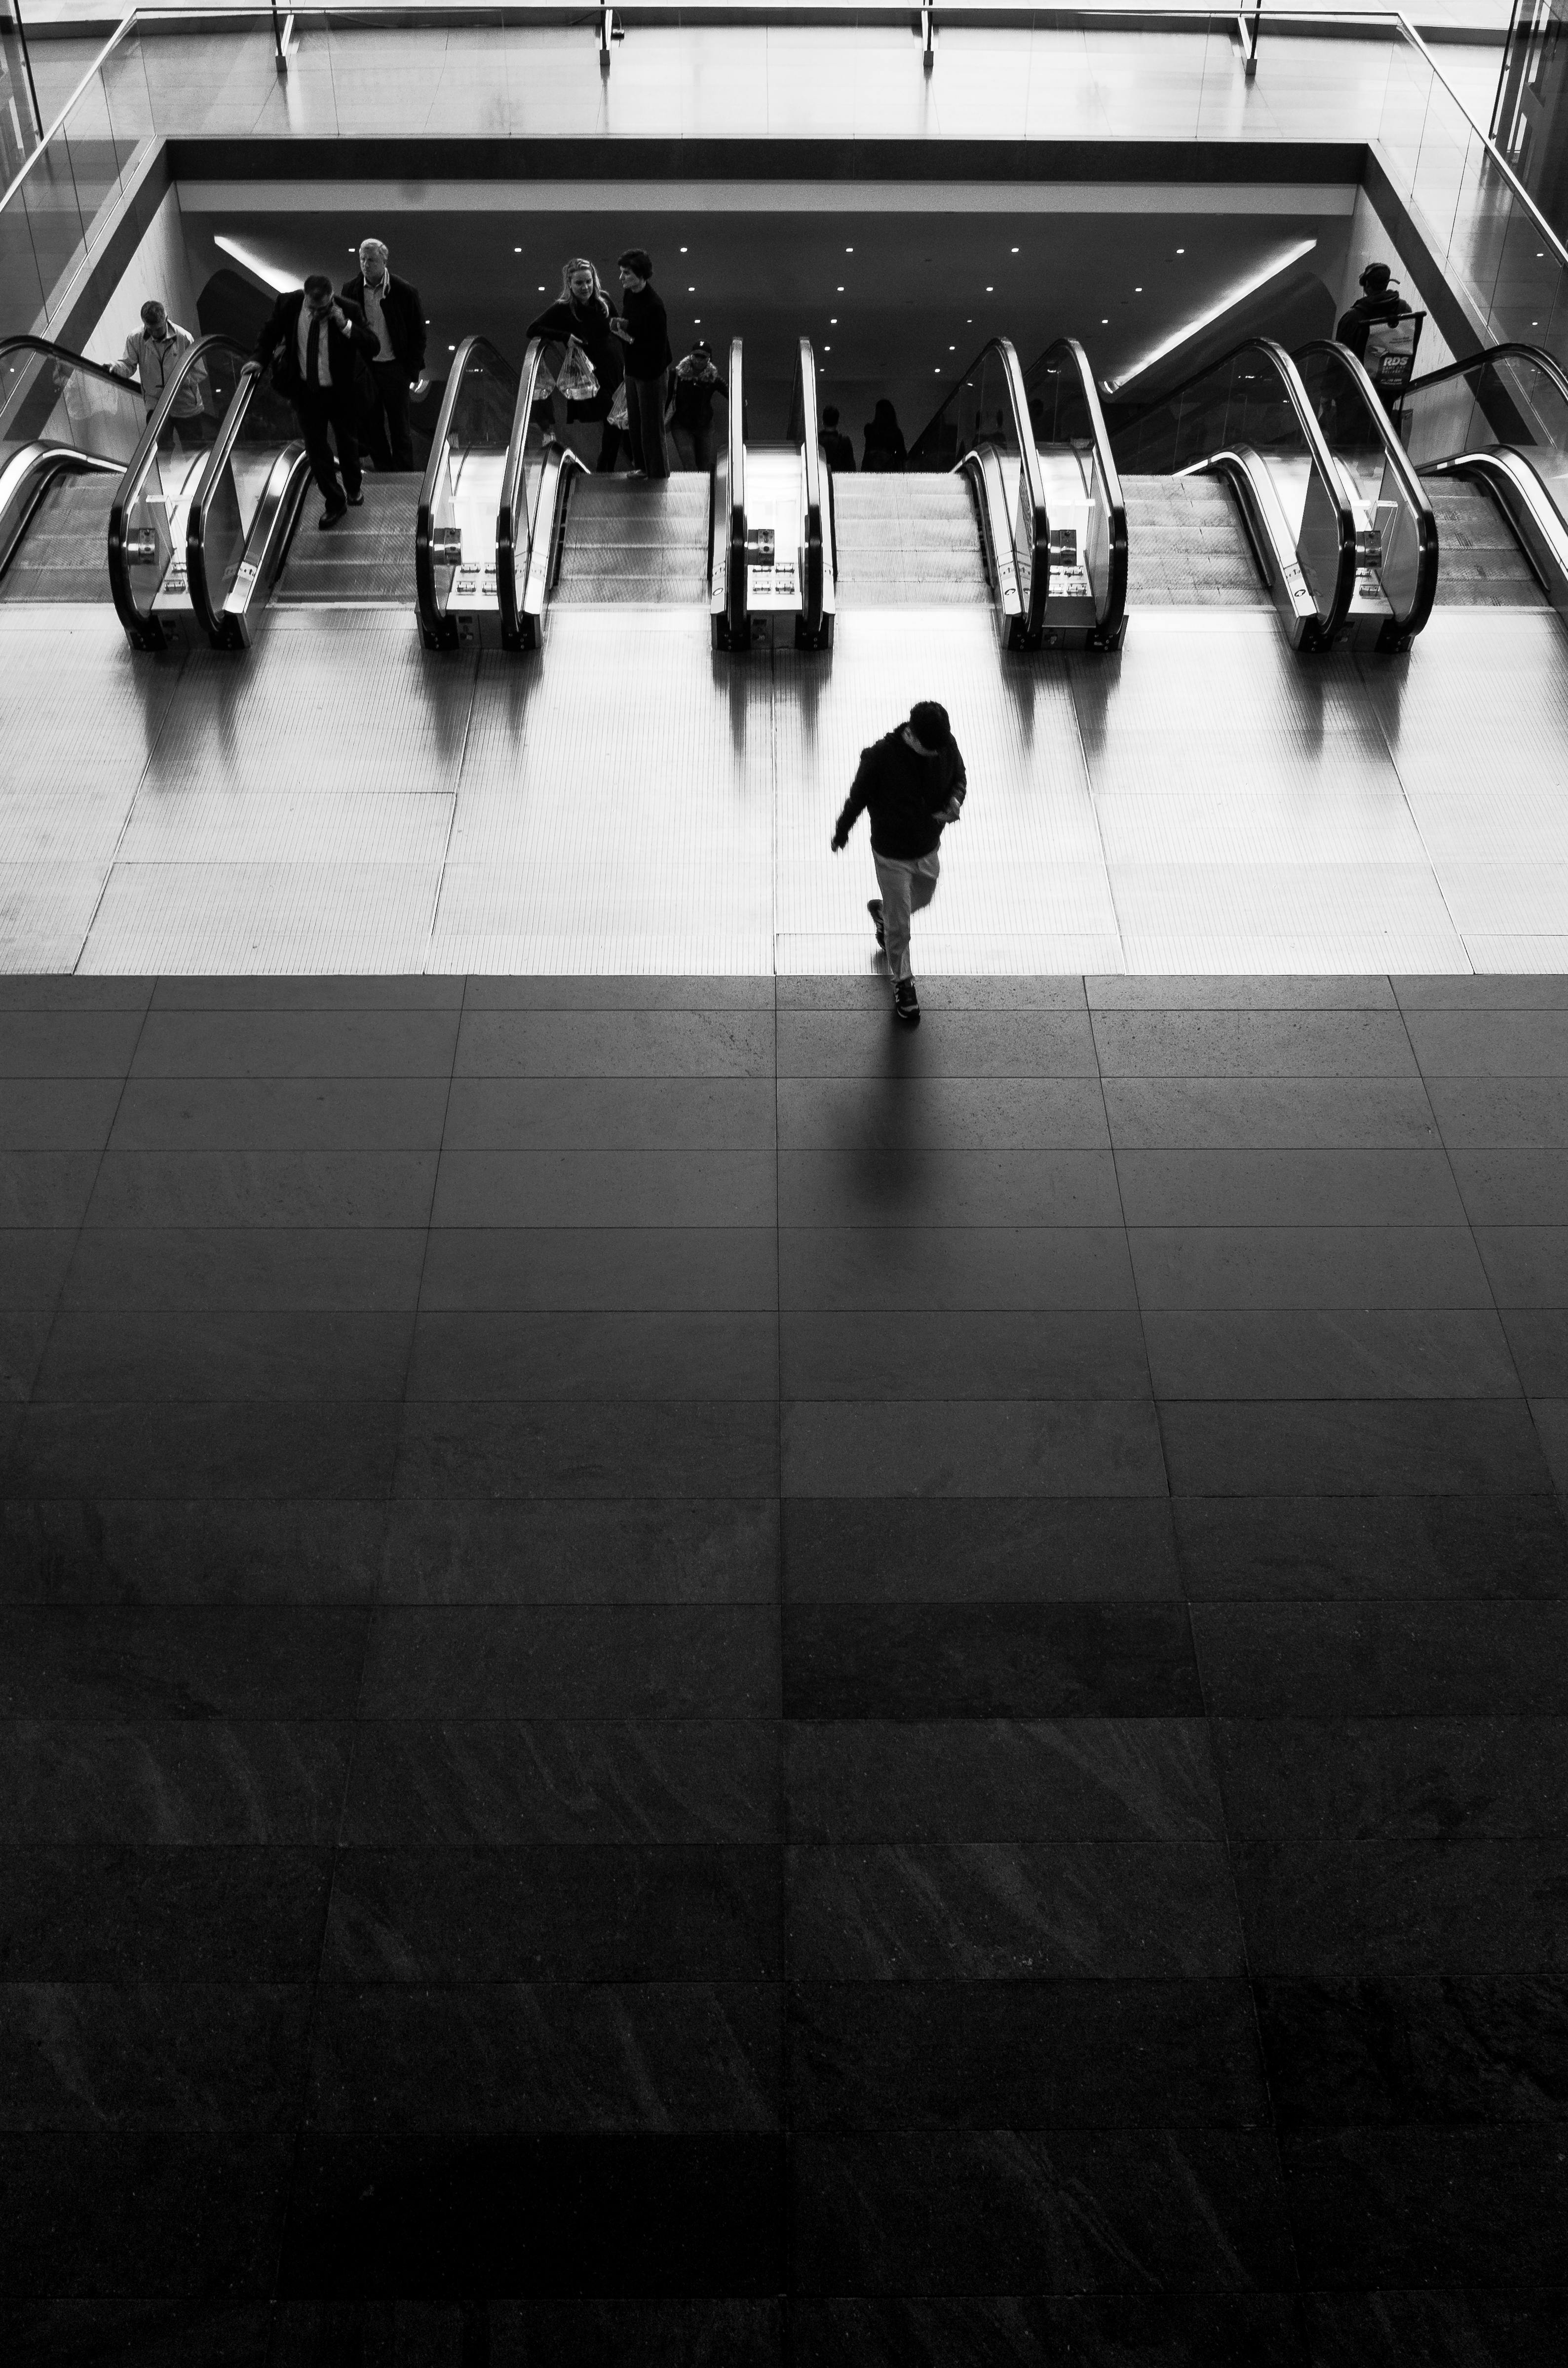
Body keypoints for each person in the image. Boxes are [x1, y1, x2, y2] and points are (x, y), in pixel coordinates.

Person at [830, 699, 967, 1027]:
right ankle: (903, 984)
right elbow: (858, 797)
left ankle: (884, 916)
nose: (938, 754)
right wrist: (842, 830)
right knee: (901, 928)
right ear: (914, 737)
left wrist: (954, 801)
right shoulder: (880, 758)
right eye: (931, 749)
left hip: (927, 846)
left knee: (921, 898)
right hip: (891, 855)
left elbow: (959, 777)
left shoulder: (944, 743)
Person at [255, 272, 379, 528]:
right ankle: (335, 503)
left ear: (332, 298)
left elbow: (373, 346)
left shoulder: (348, 309)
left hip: (341, 392)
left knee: (348, 444)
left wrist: (345, 326)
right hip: (306, 391)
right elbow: (269, 334)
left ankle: (354, 486)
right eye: (313, 308)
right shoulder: (288, 305)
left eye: (323, 308)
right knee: (316, 450)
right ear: (306, 299)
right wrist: (257, 360)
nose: (317, 313)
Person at [526, 260, 625, 472]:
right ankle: (604, 470)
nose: (585, 287)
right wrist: (565, 336)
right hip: (591, 374)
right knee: (613, 418)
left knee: (618, 420)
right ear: (569, 283)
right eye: (579, 283)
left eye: (588, 281)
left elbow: (617, 328)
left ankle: (606, 469)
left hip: (616, 367)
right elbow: (533, 329)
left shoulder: (603, 299)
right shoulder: (563, 308)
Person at [341, 237, 427, 472]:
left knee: (400, 426)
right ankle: (384, 473)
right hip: (368, 369)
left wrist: (409, 371)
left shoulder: (404, 291)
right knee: (372, 425)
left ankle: (405, 477)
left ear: (384, 260)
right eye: (362, 259)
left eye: (371, 259)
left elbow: (418, 334)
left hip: (395, 368)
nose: (366, 264)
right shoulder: (351, 290)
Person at [110, 300, 209, 453]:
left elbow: (200, 372)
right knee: (161, 454)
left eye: (159, 328)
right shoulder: (135, 338)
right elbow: (129, 366)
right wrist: (115, 367)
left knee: (194, 452)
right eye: (151, 330)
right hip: (156, 405)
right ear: (144, 324)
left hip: (185, 404)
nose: (156, 334)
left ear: (166, 318)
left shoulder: (184, 337)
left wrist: (178, 382)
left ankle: (198, 478)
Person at [612, 247, 671, 480]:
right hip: (634, 367)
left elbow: (655, 347)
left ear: (641, 274)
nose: (622, 278)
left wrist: (627, 331)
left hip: (651, 372)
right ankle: (644, 467)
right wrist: (623, 328)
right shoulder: (631, 295)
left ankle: (658, 473)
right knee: (635, 423)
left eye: (626, 273)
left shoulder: (655, 305)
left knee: (651, 427)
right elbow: (634, 329)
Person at [1336, 263, 1412, 364]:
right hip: (1395, 375)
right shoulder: (1405, 309)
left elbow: (1339, 358)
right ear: (1387, 283)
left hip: (1361, 379)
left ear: (1367, 284)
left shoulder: (1352, 318)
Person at [668, 341, 726, 473]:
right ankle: (694, 491)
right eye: (696, 357)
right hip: (681, 424)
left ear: (709, 359)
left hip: (704, 425)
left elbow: (729, 392)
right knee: (689, 465)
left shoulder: (713, 377)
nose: (699, 361)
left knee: (704, 465)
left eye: (703, 357)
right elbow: (667, 397)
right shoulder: (677, 374)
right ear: (690, 357)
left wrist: (741, 401)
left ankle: (704, 492)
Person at [862, 397, 907, 473]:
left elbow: (867, 450)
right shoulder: (896, 432)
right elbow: (902, 455)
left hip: (870, 469)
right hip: (888, 470)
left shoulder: (869, 429)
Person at [820, 405, 856, 472]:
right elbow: (851, 467)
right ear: (837, 421)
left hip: (821, 479)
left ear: (823, 421)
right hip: (840, 480)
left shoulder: (816, 441)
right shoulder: (845, 442)